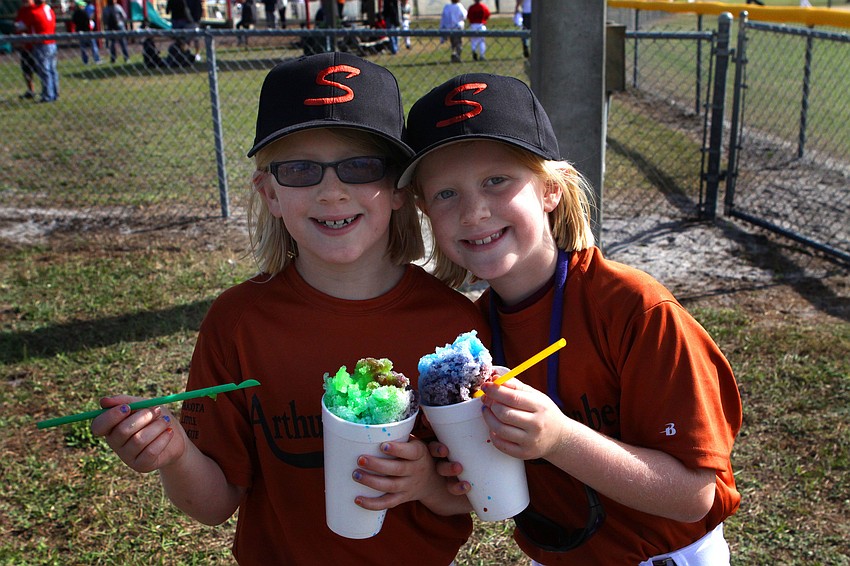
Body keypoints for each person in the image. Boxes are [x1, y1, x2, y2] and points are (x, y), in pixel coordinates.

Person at [91, 52, 486, 565]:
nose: (332, 191)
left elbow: (482, 495)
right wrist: (173, 455)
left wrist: (427, 482)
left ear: (398, 190)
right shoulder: (237, 323)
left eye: (360, 165)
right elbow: (213, 504)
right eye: (300, 169)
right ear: (269, 192)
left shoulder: (455, 331)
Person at [401, 73, 743, 565]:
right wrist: (433, 478)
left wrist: (559, 438)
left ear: (550, 189)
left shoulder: (635, 308)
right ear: (423, 210)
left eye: (497, 181)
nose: (474, 212)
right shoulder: (466, 343)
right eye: (446, 194)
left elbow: (692, 496)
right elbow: (474, 494)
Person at [23, 0, 59, 102]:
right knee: (52, 69)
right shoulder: (48, 9)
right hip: (52, 42)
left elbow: (25, 25)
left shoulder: (34, 12)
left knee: (44, 70)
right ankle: (54, 92)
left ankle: (48, 95)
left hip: (42, 44)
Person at [13, 0, 37, 100]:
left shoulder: (35, 9)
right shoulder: (22, 10)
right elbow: (18, 24)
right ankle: (31, 90)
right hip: (25, 45)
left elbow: (28, 24)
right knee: (26, 70)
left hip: (35, 45)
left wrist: (21, 26)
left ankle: (48, 90)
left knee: (40, 68)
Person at [72, 0, 101, 64]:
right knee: (93, 45)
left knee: (83, 47)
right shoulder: (84, 13)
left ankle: (85, 61)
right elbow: (87, 21)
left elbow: (74, 21)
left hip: (80, 31)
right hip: (87, 31)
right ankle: (96, 59)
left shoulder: (75, 14)